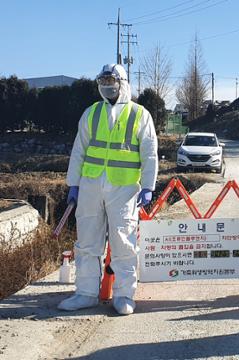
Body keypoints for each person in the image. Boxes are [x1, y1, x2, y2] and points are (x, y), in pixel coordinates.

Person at [58, 64, 158, 315]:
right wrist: (74, 183)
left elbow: (149, 154)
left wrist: (148, 186)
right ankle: (86, 293)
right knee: (87, 241)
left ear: (123, 82)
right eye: (103, 80)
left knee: (123, 241)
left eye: (111, 80)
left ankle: (124, 295)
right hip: (91, 185)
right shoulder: (91, 113)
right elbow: (79, 150)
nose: (107, 85)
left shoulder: (140, 114)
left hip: (124, 189)